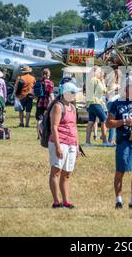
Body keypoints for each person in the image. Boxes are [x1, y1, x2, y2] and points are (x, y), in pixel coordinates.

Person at [106, 76, 132, 209]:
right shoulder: (117, 103)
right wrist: (123, 122)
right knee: (121, 170)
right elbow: (108, 123)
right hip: (124, 140)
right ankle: (118, 201)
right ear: (126, 88)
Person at [48, 81, 82, 209]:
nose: (75, 95)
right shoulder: (58, 106)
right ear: (65, 93)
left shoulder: (72, 107)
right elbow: (54, 127)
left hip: (71, 143)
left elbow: (75, 127)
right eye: (73, 93)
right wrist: (57, 146)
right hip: (60, 142)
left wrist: (77, 146)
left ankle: (66, 201)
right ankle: (56, 202)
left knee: (67, 173)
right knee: (56, 171)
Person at [85, 66, 110, 146]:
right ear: (95, 72)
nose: (100, 74)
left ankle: (87, 142)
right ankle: (105, 141)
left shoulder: (88, 80)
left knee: (91, 122)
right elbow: (104, 91)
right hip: (96, 103)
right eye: (99, 72)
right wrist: (103, 82)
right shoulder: (96, 80)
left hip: (89, 104)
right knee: (105, 120)